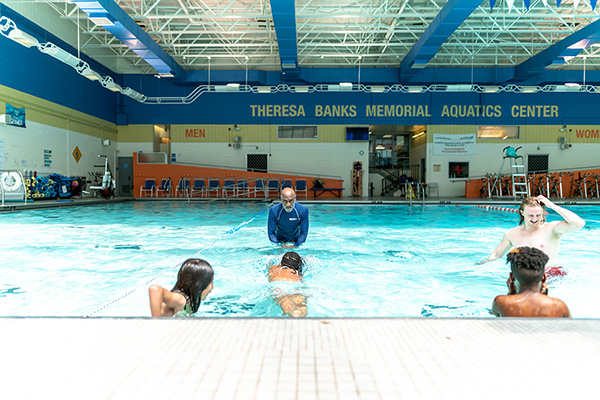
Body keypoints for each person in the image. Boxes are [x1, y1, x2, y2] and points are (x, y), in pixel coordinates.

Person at [479, 195, 585, 274]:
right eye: (530, 215)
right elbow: (497, 255)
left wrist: (552, 205)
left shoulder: (552, 229)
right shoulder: (512, 233)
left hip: (549, 275)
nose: (535, 219)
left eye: (538, 215)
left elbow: (579, 223)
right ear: (522, 213)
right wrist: (480, 266)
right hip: (524, 276)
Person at [491, 247, 570, 318]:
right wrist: (545, 297)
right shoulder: (559, 306)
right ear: (544, 277)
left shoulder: (500, 302)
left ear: (511, 277)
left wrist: (510, 294)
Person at [149, 258, 214, 317]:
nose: (212, 287)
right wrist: (156, 322)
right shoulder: (180, 300)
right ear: (199, 284)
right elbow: (155, 290)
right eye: (211, 283)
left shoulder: (188, 301)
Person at [268, 251, 307, 318]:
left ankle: (292, 312)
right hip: (295, 286)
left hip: (278, 285)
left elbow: (268, 268)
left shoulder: (273, 268)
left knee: (284, 300)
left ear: (280, 264)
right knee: (301, 302)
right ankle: (301, 313)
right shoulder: (298, 275)